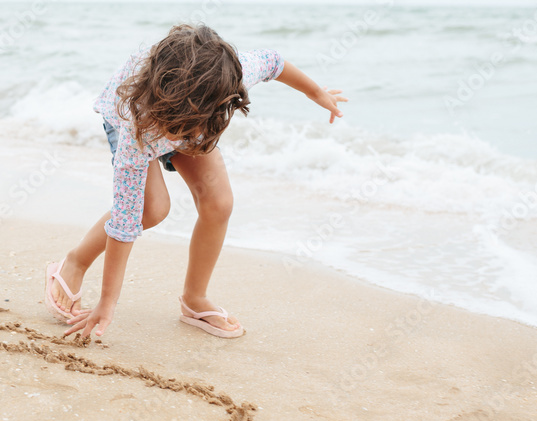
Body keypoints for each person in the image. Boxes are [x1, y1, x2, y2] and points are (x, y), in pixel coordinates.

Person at [44, 23, 346, 341]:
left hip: (199, 114)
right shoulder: (137, 125)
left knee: (219, 203)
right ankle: (74, 263)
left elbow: (275, 62)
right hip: (139, 120)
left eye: (184, 130)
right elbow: (124, 220)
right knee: (151, 209)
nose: (177, 139)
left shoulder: (233, 73)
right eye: (176, 131)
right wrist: (107, 302)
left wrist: (316, 92)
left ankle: (195, 298)